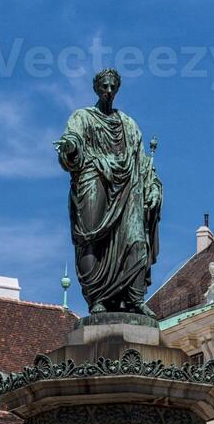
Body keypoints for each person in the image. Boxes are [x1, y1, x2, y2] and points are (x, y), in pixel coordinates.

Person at [56, 69, 162, 316]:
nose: (108, 91)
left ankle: (134, 299)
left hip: (129, 191)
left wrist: (154, 187)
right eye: (104, 86)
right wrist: (71, 147)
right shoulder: (82, 117)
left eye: (113, 87)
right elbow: (72, 140)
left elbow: (143, 164)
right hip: (95, 181)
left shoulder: (129, 125)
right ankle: (97, 299)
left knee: (137, 240)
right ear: (96, 88)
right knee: (91, 239)